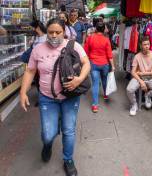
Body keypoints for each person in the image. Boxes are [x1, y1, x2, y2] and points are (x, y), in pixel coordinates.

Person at [19, 18, 90, 176]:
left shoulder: (74, 45)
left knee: (68, 130)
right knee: (47, 134)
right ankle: (48, 144)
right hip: (47, 98)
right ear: (47, 32)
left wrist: (79, 79)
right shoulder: (38, 49)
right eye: (51, 32)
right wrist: (23, 93)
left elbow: (86, 63)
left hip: (70, 97)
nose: (54, 35)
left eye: (58, 32)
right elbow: (30, 71)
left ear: (64, 32)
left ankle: (68, 159)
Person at [84, 22, 115, 113]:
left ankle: (95, 105)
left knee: (95, 84)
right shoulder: (106, 40)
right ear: (104, 29)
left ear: (96, 29)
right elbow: (109, 55)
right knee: (104, 80)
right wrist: (112, 66)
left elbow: (86, 51)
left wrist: (88, 60)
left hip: (94, 63)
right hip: (105, 64)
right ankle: (105, 94)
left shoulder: (90, 38)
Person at [126, 36, 152, 116]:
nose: (147, 46)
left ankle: (147, 95)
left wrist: (142, 73)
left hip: (151, 78)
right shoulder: (137, 56)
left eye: (148, 44)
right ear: (140, 46)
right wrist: (141, 81)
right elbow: (133, 72)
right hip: (139, 78)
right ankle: (134, 104)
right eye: (144, 44)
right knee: (129, 89)